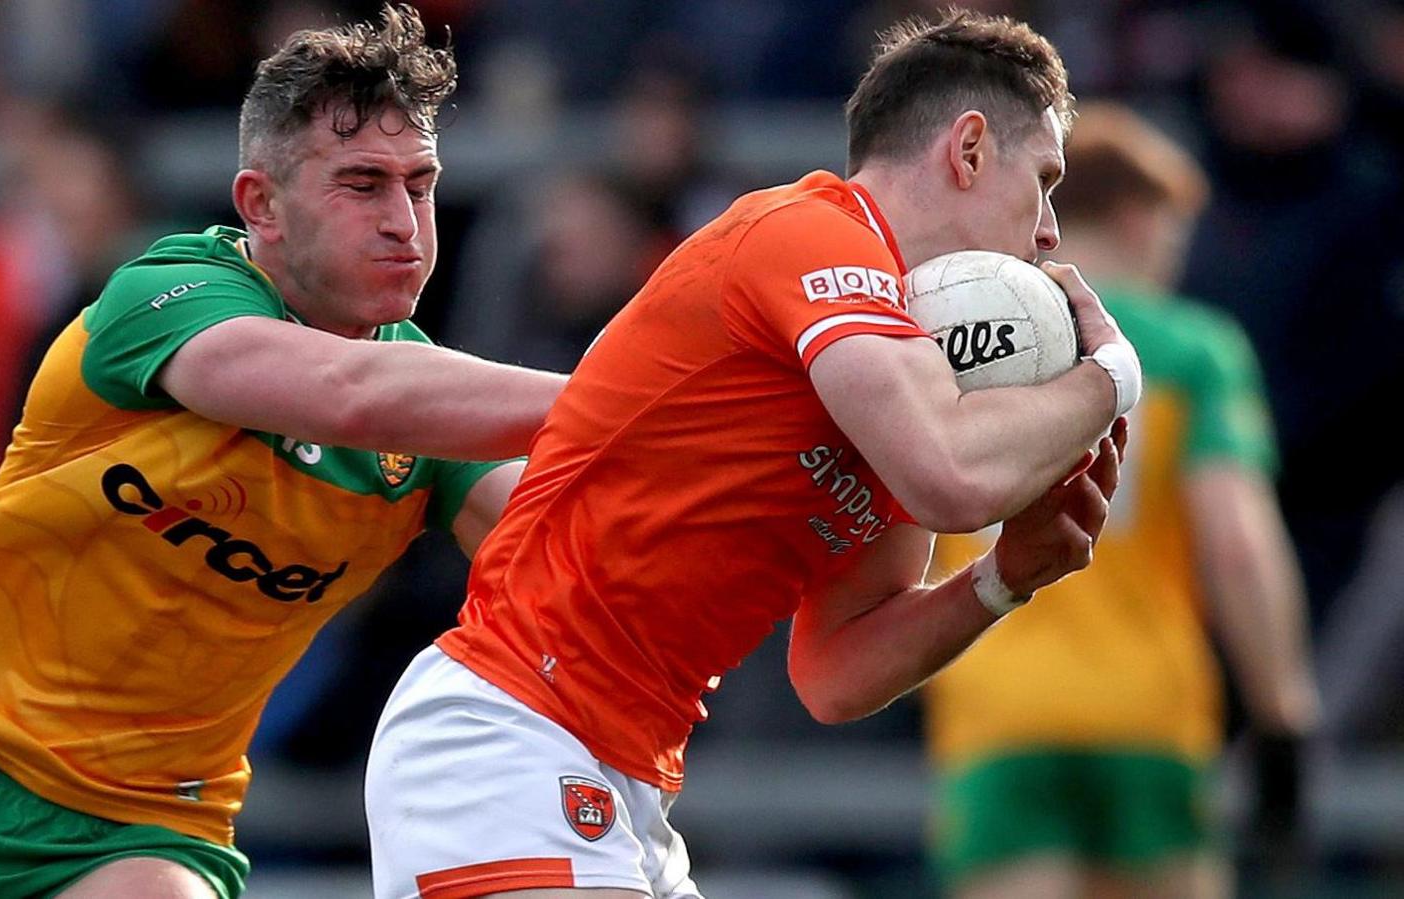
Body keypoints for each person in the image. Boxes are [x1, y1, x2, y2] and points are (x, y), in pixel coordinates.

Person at [366, 10, 1141, 898]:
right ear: (967, 149)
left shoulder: (903, 375)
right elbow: (954, 477)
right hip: (510, 728)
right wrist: (1111, 375)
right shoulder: (809, 234)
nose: (1049, 232)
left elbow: (835, 671)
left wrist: (1000, 581)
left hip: (625, 774)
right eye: (1042, 182)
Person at [0, 6, 566, 898]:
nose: (405, 220)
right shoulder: (169, 291)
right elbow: (345, 391)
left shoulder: (437, 427)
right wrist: (639, 394)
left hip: (141, 826)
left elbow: (557, 545)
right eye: (362, 184)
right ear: (261, 205)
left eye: (421, 184)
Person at [921, 103, 1320, 899]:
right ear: (1139, 218)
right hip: (1151, 716)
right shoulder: (1191, 350)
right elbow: (1238, 541)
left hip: (1001, 713)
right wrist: (1282, 712)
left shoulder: (948, 338)